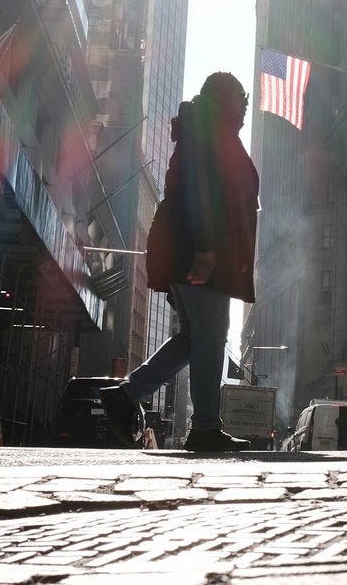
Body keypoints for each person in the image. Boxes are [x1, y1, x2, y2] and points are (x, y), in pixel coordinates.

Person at [100, 72, 259, 453]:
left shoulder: (205, 130)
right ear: (226, 98)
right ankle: (204, 427)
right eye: (242, 96)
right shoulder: (209, 132)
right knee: (209, 338)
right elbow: (201, 193)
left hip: (193, 249)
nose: (246, 104)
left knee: (193, 338)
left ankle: (128, 394)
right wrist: (206, 249)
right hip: (202, 251)